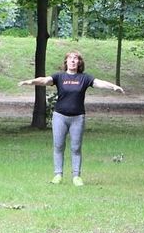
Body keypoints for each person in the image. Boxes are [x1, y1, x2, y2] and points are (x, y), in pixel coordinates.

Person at [18, 51, 124, 187]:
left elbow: (99, 83)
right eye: (70, 59)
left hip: (78, 118)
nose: (73, 61)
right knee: (58, 146)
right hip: (59, 117)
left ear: (79, 63)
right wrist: (30, 82)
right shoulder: (59, 77)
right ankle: (58, 175)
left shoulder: (84, 78)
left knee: (76, 148)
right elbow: (44, 80)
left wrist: (113, 86)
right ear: (66, 62)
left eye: (76, 59)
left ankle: (76, 176)